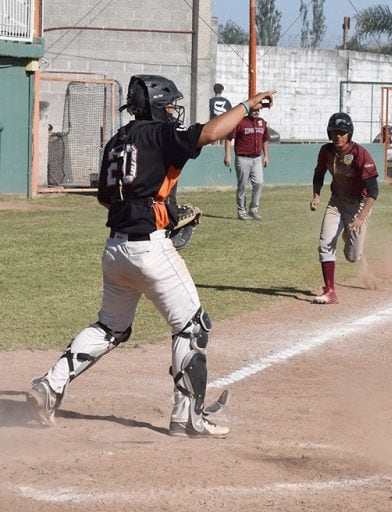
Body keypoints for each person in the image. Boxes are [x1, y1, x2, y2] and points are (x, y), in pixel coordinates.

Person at [26, 74, 275, 438]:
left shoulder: (116, 140)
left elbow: (105, 197)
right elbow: (208, 133)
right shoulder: (159, 134)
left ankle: (50, 384)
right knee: (193, 325)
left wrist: (160, 209)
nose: (175, 110)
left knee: (110, 328)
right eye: (171, 103)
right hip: (148, 248)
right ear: (158, 105)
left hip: (115, 250)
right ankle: (187, 416)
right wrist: (247, 106)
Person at [309, 112, 379, 305]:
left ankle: (349, 234)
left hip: (359, 206)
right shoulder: (326, 151)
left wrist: (360, 217)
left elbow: (373, 191)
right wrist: (316, 196)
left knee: (352, 256)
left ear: (349, 134)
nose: (338, 136)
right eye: (334, 132)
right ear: (329, 134)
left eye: (342, 132)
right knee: (325, 243)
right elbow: (319, 174)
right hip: (337, 202)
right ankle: (330, 290)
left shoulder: (360, 154)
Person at [224, 105, 270, 220]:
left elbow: (265, 139)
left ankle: (253, 209)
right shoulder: (241, 122)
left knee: (259, 182)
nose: (256, 112)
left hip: (257, 159)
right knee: (242, 186)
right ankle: (241, 211)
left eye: (258, 110)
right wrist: (227, 155)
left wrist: (266, 156)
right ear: (249, 110)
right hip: (242, 158)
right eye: (254, 110)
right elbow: (229, 138)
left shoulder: (262, 122)